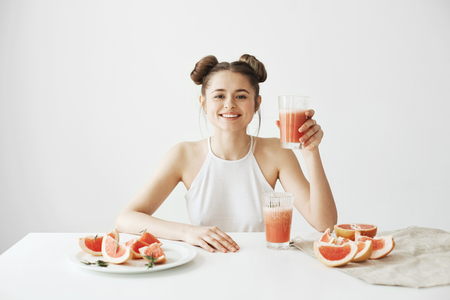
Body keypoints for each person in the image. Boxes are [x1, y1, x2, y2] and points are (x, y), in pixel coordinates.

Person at [116, 54, 337, 253]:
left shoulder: (277, 153)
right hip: (205, 265)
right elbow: (126, 219)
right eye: (219, 96)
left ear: (257, 103)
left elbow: (324, 223)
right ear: (203, 102)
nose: (229, 105)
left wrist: (310, 152)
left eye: (241, 96)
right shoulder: (184, 155)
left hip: (260, 264)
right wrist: (188, 232)